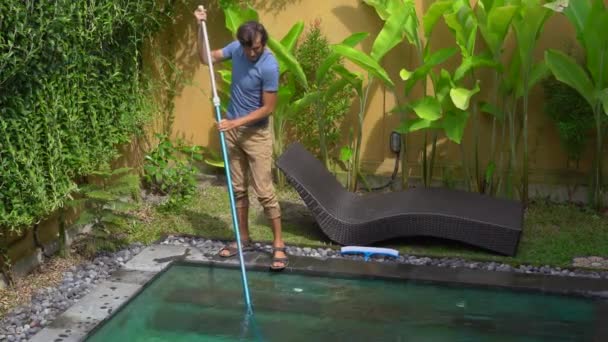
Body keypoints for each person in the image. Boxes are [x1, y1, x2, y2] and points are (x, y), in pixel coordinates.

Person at [193, 6, 288, 271]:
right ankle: (243, 238)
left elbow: (268, 108)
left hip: (256, 134)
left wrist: (234, 121)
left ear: (263, 42)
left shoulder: (269, 65)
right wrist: (199, 29)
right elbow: (205, 59)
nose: (251, 53)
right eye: (248, 48)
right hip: (232, 133)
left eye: (256, 48)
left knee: (265, 192)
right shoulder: (237, 48)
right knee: (237, 190)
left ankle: (278, 244)